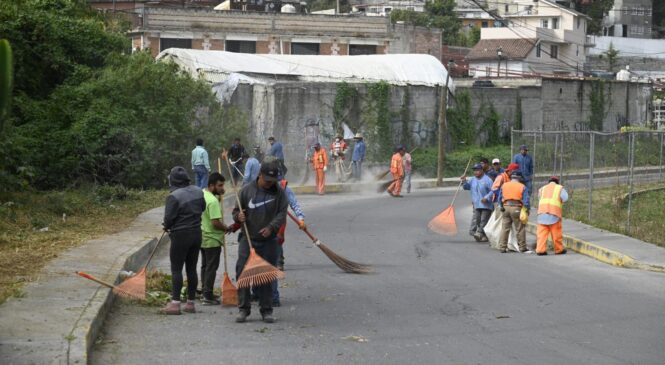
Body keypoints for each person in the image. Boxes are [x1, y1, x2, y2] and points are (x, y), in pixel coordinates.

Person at [233, 161, 288, 324]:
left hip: (269, 241)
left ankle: (266, 310)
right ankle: (243, 309)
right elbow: (236, 211)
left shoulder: (279, 193)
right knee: (242, 272)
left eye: (273, 180)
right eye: (268, 180)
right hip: (248, 238)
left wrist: (272, 227)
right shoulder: (246, 191)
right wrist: (238, 217)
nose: (271, 183)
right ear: (260, 176)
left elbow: (282, 214)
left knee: (266, 276)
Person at [162, 166, 206, 315]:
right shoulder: (199, 191)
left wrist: (166, 226)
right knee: (191, 268)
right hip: (196, 233)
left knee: (176, 269)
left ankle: (175, 304)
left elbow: (168, 219)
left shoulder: (174, 196)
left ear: (173, 180)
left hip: (180, 235)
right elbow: (203, 208)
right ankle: (190, 303)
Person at [271, 173, 306, 307]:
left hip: (279, 219)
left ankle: (279, 261)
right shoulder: (261, 186)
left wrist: (301, 219)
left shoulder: (285, 189)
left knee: (278, 239)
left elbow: (294, 204)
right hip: (265, 219)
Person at [200, 172, 230, 305]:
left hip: (202, 236)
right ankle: (207, 296)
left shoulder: (203, 194)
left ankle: (205, 292)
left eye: (223, 185)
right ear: (211, 186)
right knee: (211, 267)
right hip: (212, 238)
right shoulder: (212, 202)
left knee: (205, 266)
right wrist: (226, 228)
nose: (222, 188)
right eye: (220, 185)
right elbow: (215, 222)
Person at [497, 171, 531, 253]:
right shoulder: (522, 186)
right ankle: (522, 247)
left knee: (505, 228)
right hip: (516, 207)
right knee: (520, 228)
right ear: (519, 178)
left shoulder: (504, 185)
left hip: (505, 207)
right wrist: (526, 210)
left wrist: (501, 206)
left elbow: (499, 198)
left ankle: (502, 247)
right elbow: (526, 201)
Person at [536, 176, 569, 256]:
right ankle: (558, 249)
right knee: (556, 234)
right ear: (557, 182)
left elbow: (539, 198)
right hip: (554, 213)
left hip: (541, 213)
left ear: (549, 181)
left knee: (542, 235)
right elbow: (565, 198)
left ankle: (540, 250)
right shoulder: (559, 188)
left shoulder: (542, 188)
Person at [462, 164, 494, 242]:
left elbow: (493, 191)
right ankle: (480, 234)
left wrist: (486, 197)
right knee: (477, 220)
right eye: (475, 171)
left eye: (477, 170)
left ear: (482, 170)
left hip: (486, 205)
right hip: (476, 204)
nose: (476, 172)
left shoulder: (488, 180)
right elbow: (466, 187)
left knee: (484, 220)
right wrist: (464, 181)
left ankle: (480, 233)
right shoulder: (472, 179)